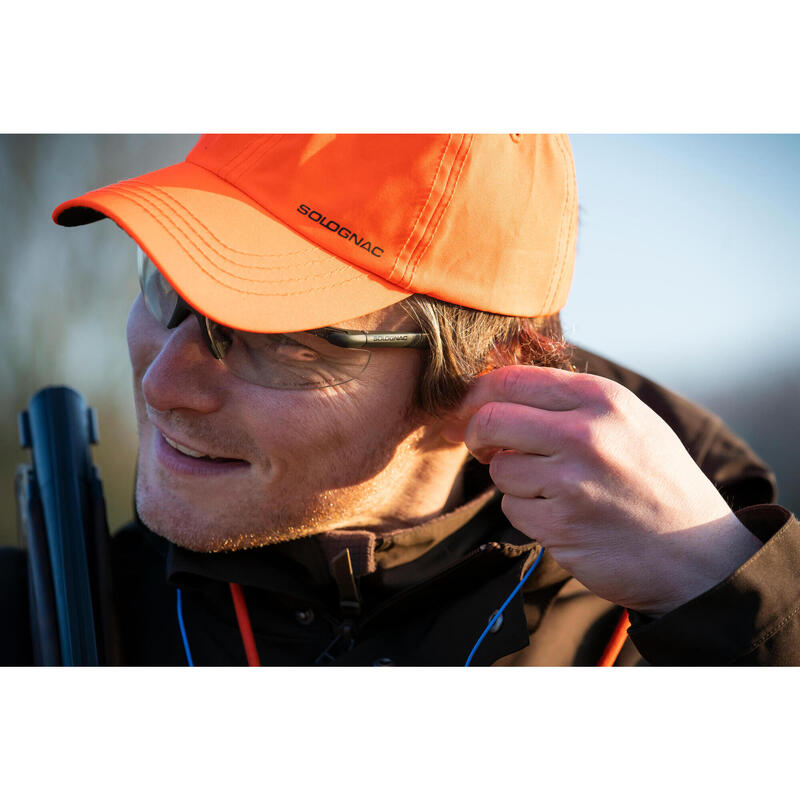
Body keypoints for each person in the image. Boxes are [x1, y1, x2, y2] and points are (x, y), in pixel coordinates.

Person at [3, 133, 798, 666]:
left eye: (283, 339)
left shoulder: (676, 635)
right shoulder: (36, 626)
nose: (160, 381)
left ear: (492, 371)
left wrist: (735, 607)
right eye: (161, 284)